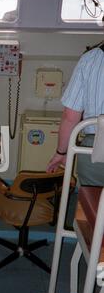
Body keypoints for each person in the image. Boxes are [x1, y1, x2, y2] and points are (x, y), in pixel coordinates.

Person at [46, 45, 104, 187]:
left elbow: (70, 116)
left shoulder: (91, 59)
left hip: (97, 147)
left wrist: (61, 152)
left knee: (92, 202)